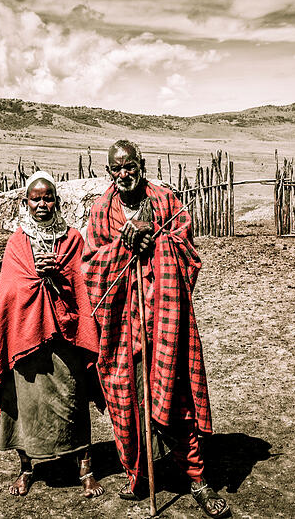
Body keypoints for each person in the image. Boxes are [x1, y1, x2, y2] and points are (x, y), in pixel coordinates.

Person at [82, 140, 231, 518]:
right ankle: (139, 476)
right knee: (128, 399)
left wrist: (156, 239)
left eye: (129, 166)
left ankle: (197, 480)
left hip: (165, 318)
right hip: (122, 325)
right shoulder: (101, 212)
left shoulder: (166, 201)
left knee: (175, 395)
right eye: (115, 169)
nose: (123, 174)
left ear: (141, 165)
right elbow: (91, 269)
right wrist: (123, 245)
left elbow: (188, 254)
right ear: (108, 171)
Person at [0, 171, 105, 498]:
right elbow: (12, 291)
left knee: (73, 399)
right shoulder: (17, 243)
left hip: (65, 337)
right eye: (36, 198)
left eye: (48, 197)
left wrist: (58, 280)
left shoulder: (72, 241)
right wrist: (36, 283)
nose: (42, 204)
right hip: (26, 335)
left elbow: (83, 288)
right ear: (26, 202)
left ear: (57, 200)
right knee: (27, 404)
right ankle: (27, 469)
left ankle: (86, 470)